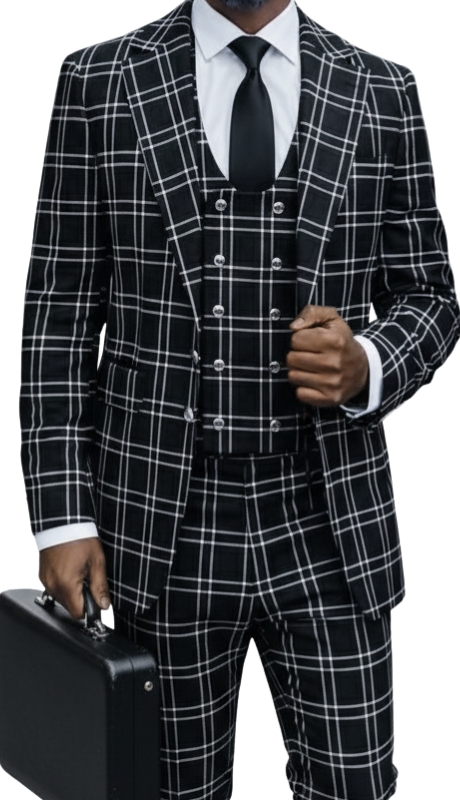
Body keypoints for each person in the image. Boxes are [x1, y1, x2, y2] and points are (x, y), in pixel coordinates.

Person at [19, 0, 460, 798]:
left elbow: (430, 296)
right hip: (160, 528)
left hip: (329, 523)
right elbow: (59, 318)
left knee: (356, 785)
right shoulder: (100, 82)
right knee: (167, 790)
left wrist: (366, 361)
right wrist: (63, 517)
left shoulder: (381, 89)